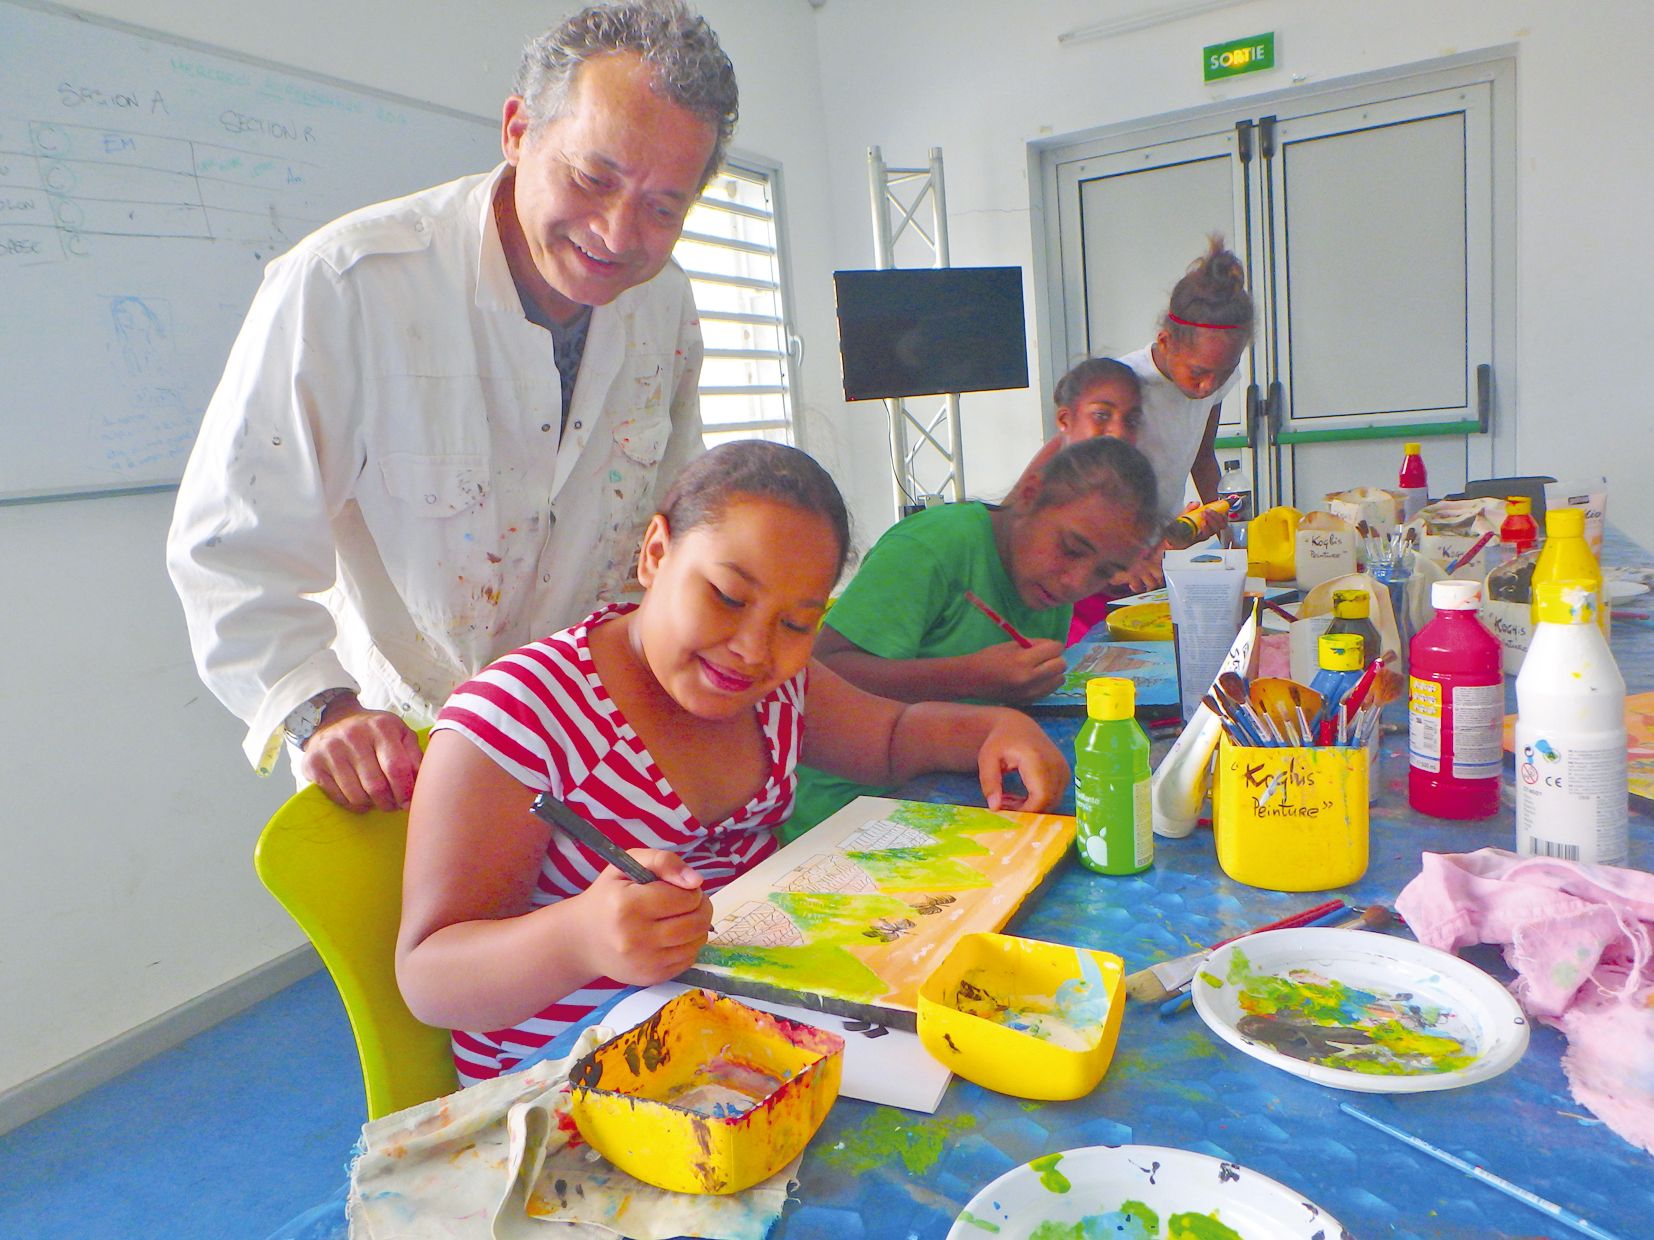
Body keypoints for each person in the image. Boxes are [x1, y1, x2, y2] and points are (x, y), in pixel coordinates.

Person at [166, 1, 735, 813]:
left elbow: (671, 524)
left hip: (590, 742)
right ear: (516, 131)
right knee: (424, 943)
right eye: (592, 177)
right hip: (404, 757)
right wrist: (321, 708)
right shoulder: (348, 285)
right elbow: (229, 544)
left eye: (663, 206)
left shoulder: (665, 304)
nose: (617, 232)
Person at [394, 441, 1070, 1083]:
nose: (753, 649)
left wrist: (993, 729)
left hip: (751, 1027)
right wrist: (581, 937)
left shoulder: (778, 691)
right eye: (726, 596)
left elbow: (890, 737)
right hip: (568, 1074)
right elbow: (429, 978)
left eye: (797, 623)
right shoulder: (521, 714)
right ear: (655, 554)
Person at [787, 435, 1158, 838]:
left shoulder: (1048, 584)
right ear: (1030, 495)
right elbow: (818, 679)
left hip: (954, 789)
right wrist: (969, 675)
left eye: (1104, 572)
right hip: (845, 811)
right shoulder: (932, 548)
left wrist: (1025, 684)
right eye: (1070, 548)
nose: (1076, 582)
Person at [1112, 234, 1254, 592]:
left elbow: (1202, 458)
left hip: (1156, 554)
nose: (1209, 386)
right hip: (1106, 558)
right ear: (1165, 342)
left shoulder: (1215, 381)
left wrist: (1231, 543)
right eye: (1198, 372)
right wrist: (1122, 557)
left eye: (1224, 372)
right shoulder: (1122, 385)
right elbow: (1086, 486)